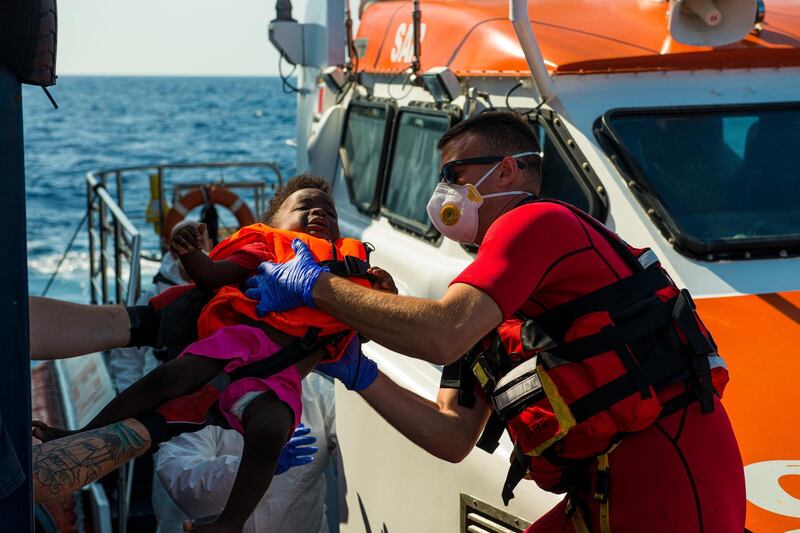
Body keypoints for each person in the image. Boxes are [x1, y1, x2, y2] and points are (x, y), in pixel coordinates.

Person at [246, 112, 746, 532]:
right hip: (603, 486)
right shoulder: (486, 299)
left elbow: (442, 333)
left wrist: (315, 286)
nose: (443, 190)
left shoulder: (536, 222)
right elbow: (452, 435)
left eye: (454, 173)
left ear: (506, 171)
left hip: (674, 472)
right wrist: (361, 373)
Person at [31, 174, 393, 533]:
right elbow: (212, 276)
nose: (319, 213)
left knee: (272, 428)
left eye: (329, 211)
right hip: (236, 347)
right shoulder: (267, 248)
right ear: (273, 225)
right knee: (168, 378)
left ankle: (228, 524)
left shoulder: (353, 273)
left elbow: (370, 326)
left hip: (280, 378)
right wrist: (190, 253)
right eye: (304, 206)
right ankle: (80, 432)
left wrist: (382, 295)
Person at [153, 372, 336, 533]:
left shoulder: (317, 390)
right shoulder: (201, 396)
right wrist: (257, 465)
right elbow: (181, 480)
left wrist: (363, 386)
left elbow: (358, 448)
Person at [110, 219, 212, 392]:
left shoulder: (224, 286)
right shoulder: (154, 296)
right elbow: (127, 354)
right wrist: (131, 396)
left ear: (210, 244)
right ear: (173, 251)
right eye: (185, 243)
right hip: (167, 387)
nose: (195, 250)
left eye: (199, 242)